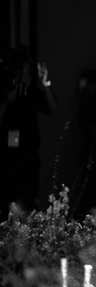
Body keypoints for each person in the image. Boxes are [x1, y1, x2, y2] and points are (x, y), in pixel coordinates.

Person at [0, 46, 57, 218]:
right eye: (19, 68)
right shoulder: (4, 88)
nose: (23, 73)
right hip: (7, 155)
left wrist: (45, 83)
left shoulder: (29, 91)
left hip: (28, 153)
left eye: (26, 69)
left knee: (29, 198)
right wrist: (6, 101)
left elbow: (52, 108)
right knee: (8, 197)